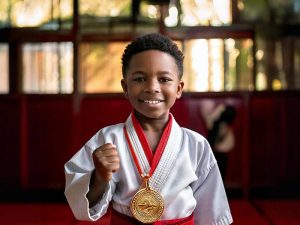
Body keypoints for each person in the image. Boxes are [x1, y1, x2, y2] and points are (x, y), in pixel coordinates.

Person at [64, 33, 233, 225]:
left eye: (164, 79)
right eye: (139, 79)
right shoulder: (108, 139)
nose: (152, 87)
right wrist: (99, 177)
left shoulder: (196, 145)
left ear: (179, 88)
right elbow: (81, 202)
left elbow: (212, 211)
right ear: (125, 87)